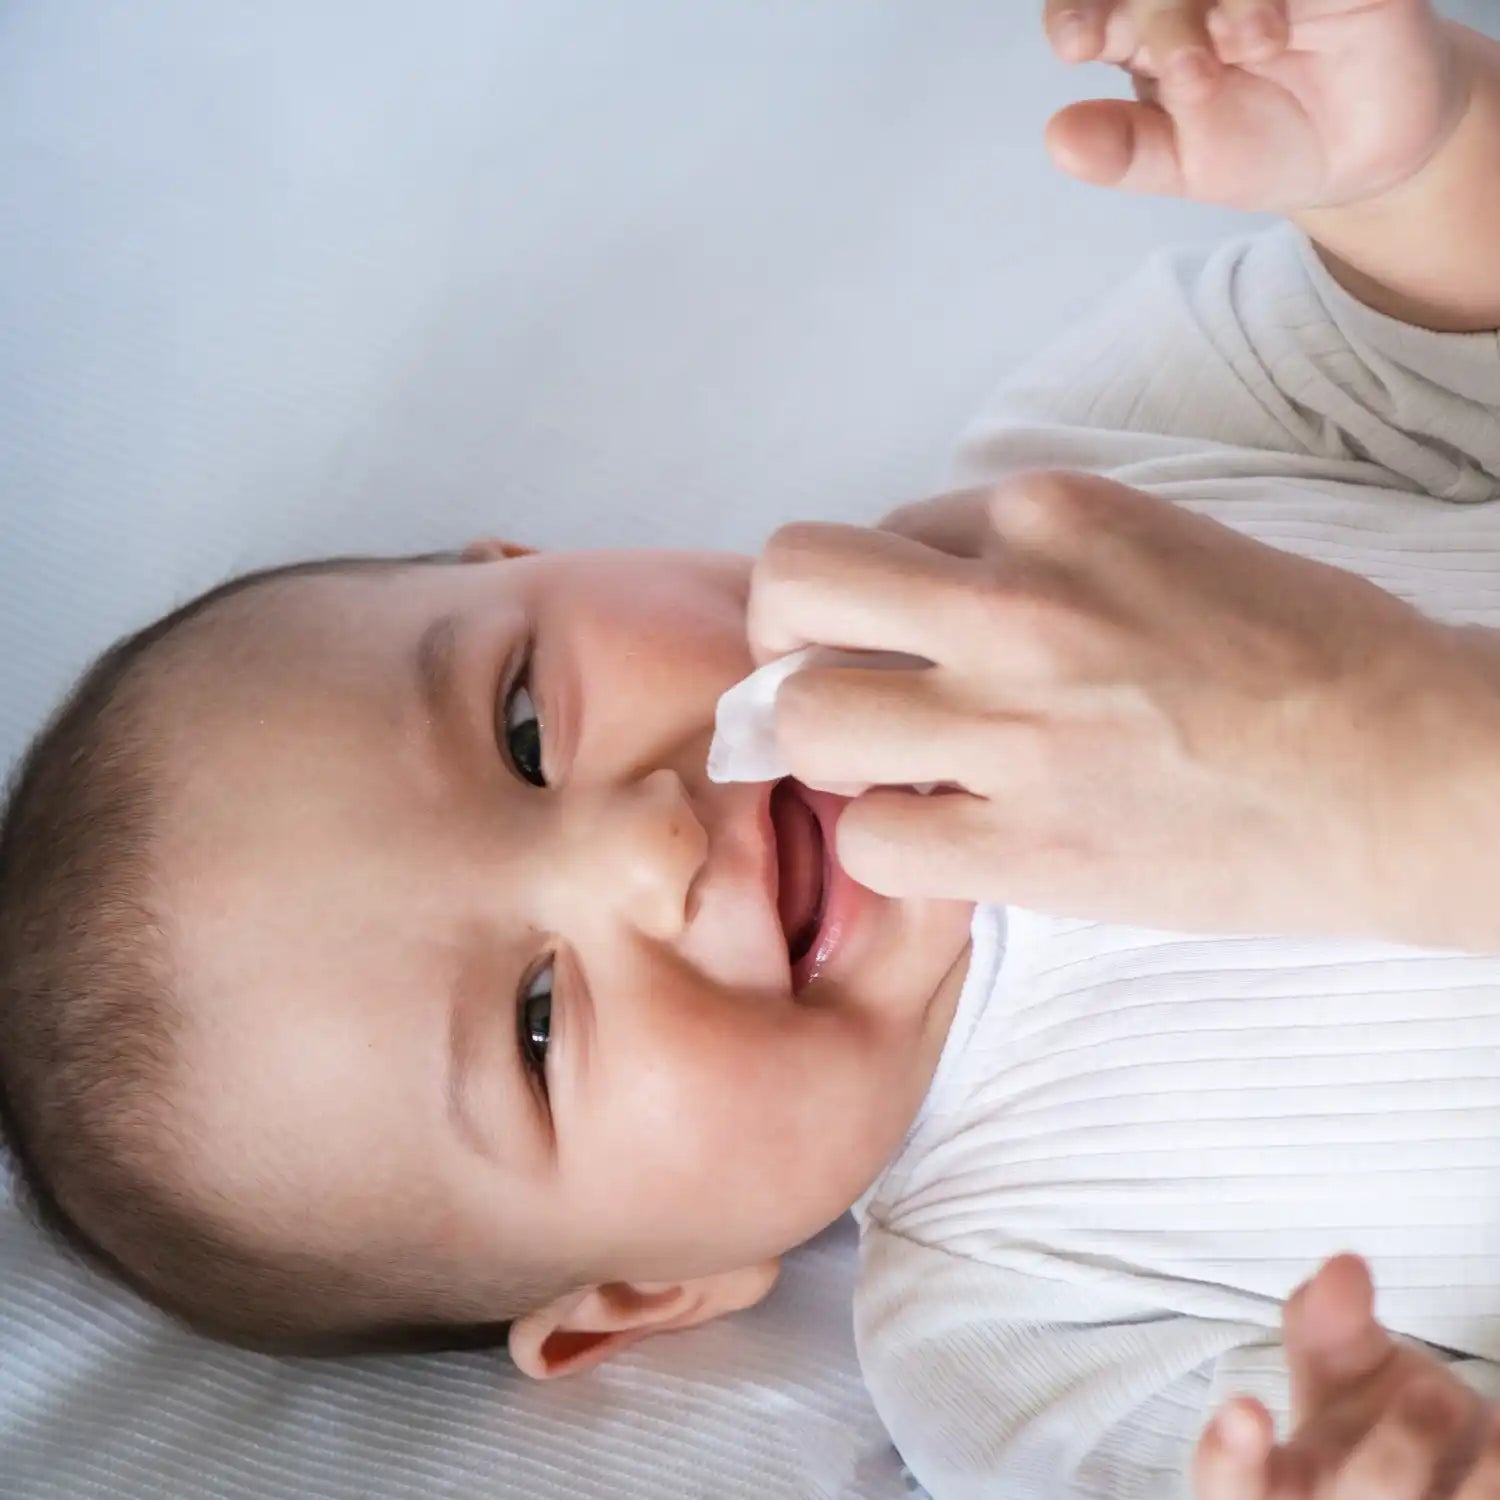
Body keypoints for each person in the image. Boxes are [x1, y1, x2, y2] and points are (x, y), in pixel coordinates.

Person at [0, 2, 1497, 1496]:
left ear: (548, 557)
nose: (638, 845)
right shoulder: (1022, 1348)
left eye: (525, 724)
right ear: (645, 1289)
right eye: (533, 1030)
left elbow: (1439, 355)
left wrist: (1417, 165)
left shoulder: (1077, 493)